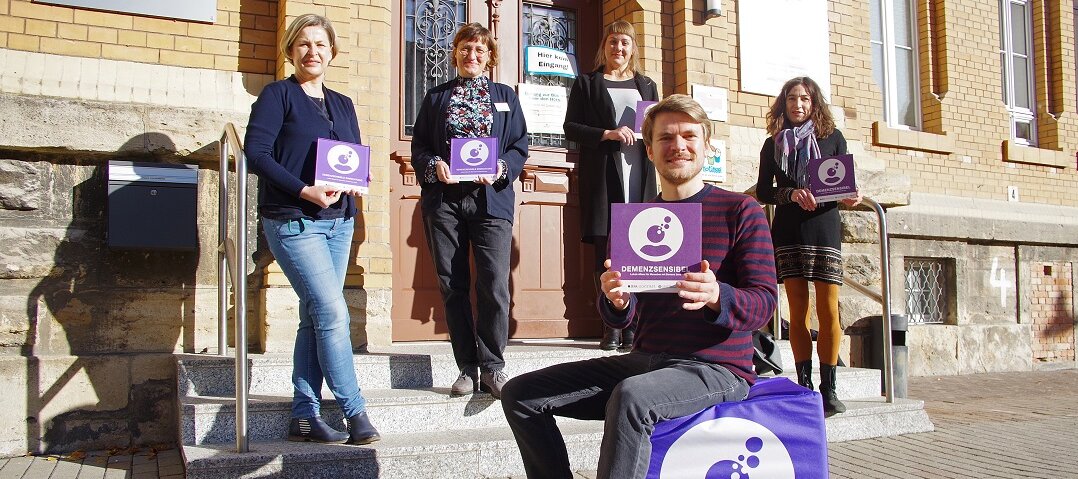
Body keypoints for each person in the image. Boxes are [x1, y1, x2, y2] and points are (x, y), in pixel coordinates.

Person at [501, 95, 777, 479]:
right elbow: (622, 316)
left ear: (706, 144)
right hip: (645, 359)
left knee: (633, 398)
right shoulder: (637, 220)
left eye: (689, 136)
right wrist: (615, 299)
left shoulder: (740, 211)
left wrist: (717, 295)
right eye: (665, 138)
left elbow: (763, 302)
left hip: (716, 367)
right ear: (649, 150)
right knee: (520, 395)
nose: (678, 146)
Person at [243, 14, 379, 445]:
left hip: (338, 223)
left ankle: (304, 414)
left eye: (320, 45)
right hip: (293, 220)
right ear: (290, 50)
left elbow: (349, 156)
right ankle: (355, 411)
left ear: (332, 52)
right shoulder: (277, 95)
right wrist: (305, 189)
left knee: (314, 317)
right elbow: (257, 154)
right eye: (303, 44)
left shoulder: (343, 103)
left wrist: (355, 181)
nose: (312, 52)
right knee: (333, 312)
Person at [410, 23, 529, 399]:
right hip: (445, 201)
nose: (471, 55)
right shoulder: (435, 98)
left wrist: (502, 169)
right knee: (453, 285)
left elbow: (519, 146)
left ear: (489, 57)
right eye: (465, 48)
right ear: (455, 53)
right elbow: (420, 148)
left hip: (490, 200)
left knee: (494, 284)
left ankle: (493, 365)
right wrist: (434, 167)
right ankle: (467, 367)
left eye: (479, 50)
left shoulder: (505, 97)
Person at [754, 76, 862, 416]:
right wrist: (790, 193)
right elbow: (762, 191)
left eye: (804, 99)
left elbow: (844, 183)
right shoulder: (773, 144)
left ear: (814, 103)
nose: (797, 105)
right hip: (788, 229)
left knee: (829, 308)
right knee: (797, 311)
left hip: (824, 227)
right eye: (791, 100)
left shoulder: (833, 139)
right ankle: (804, 386)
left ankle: (830, 389)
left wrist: (852, 196)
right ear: (783, 104)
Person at [563, 20, 659, 352]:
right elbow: (571, 128)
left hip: (640, 176)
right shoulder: (587, 84)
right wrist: (607, 134)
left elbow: (656, 126)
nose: (618, 48)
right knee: (605, 252)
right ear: (604, 46)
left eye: (625, 43)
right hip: (604, 176)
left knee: (638, 252)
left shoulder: (647, 85)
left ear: (633, 49)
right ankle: (611, 325)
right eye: (613, 42)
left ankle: (633, 326)